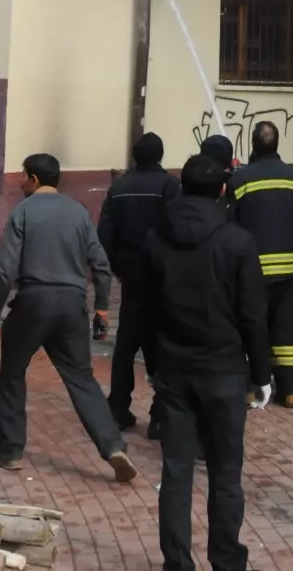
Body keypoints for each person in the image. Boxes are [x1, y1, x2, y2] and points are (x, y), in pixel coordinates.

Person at [139, 152, 269, 571]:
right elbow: (253, 315)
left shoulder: (156, 239)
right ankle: (227, 560)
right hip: (225, 372)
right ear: (222, 190)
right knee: (226, 474)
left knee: (176, 473)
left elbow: (144, 309)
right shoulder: (238, 242)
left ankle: (177, 563)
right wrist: (263, 375)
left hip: (174, 369)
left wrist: (155, 363)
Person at [0, 151, 138, 483]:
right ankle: (112, 446)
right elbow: (101, 266)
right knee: (82, 379)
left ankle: (9, 453)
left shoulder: (23, 211)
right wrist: (100, 309)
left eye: (23, 176)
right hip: (72, 307)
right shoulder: (78, 214)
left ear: (34, 180)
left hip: (33, 304)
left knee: (11, 375)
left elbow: (5, 269)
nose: (21, 181)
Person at [97, 131, 179, 437]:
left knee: (126, 347)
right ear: (160, 155)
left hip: (131, 277)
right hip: (162, 280)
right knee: (161, 346)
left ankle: (118, 408)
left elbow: (104, 236)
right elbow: (176, 229)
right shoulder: (171, 186)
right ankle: (160, 415)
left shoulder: (119, 188)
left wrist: (119, 268)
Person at [227, 121, 293, 404]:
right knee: (284, 329)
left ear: (253, 144)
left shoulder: (240, 181)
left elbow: (231, 222)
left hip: (254, 268)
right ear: (277, 143)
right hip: (289, 268)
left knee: (251, 326)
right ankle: (290, 392)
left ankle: (250, 390)